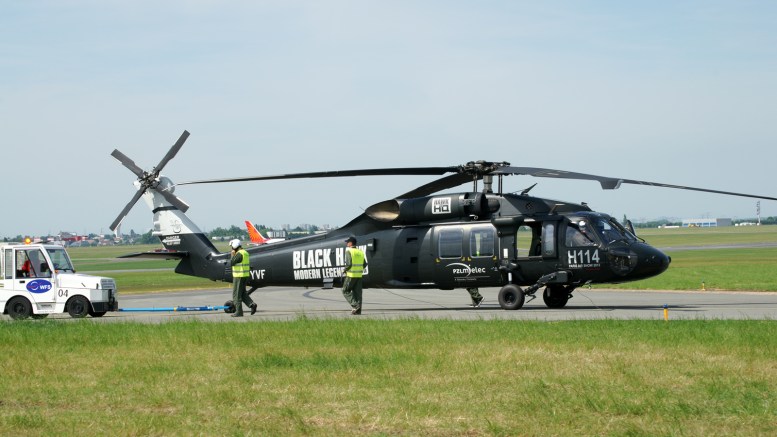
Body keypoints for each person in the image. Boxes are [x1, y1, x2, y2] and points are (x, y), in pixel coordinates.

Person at [229, 239, 257, 317]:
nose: (231, 248)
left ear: (235, 245)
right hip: (244, 275)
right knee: (242, 293)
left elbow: (232, 263)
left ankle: (239, 312)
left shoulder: (239, 254)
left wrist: (232, 255)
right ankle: (252, 305)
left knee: (236, 295)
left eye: (232, 246)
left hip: (239, 276)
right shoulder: (245, 253)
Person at [342, 236, 367, 315]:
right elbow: (365, 264)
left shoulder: (349, 251)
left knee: (345, 290)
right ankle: (358, 311)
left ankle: (355, 305)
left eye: (347, 242)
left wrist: (344, 270)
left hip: (351, 275)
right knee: (357, 293)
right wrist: (358, 269)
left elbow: (349, 264)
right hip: (359, 275)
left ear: (350, 243)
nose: (346, 243)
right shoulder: (360, 252)